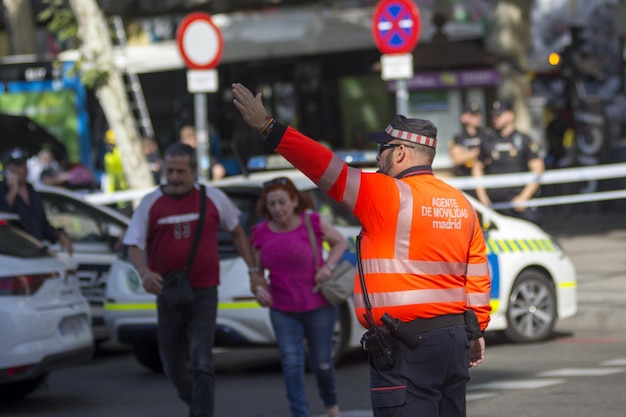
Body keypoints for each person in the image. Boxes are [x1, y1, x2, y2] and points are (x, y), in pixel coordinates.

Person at [232, 83, 491, 417]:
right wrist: (475, 331)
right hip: (453, 341)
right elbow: (479, 276)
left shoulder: (386, 194)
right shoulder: (460, 203)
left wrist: (268, 126)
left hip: (406, 345)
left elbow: (322, 165)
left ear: (400, 153)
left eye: (382, 149)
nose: (378, 157)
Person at [122, 142, 257, 417]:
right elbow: (133, 245)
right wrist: (145, 272)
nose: (174, 177)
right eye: (169, 171)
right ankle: (195, 402)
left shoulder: (213, 197)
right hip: (168, 292)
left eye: (181, 171)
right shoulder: (151, 203)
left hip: (205, 291)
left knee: (201, 359)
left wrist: (254, 272)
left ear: (194, 170)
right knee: (172, 363)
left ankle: (201, 412)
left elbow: (238, 233)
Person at [251, 176, 347, 417]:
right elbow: (256, 273)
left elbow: (340, 243)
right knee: (292, 364)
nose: (277, 209)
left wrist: (328, 268)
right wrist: (259, 289)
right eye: (271, 204)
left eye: (282, 202)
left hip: (318, 305)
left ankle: (331, 405)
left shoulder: (312, 221)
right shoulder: (260, 232)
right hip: (282, 309)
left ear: (294, 200)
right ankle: (299, 413)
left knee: (322, 363)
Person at [472, 99, 546, 224]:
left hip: (517, 202)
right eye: (494, 115)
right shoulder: (488, 140)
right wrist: (482, 196)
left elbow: (538, 168)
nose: (495, 119)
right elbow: (477, 167)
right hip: (493, 203)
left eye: (499, 115)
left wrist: (524, 197)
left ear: (510, 115)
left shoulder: (523, 140)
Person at [0, 147, 73, 254]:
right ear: (8, 169)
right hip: (13, 255)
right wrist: (13, 191)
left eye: (24, 164)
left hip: (35, 251)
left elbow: (42, 223)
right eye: (18, 165)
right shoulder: (3, 190)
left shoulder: (32, 191)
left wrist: (59, 234)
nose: (23, 169)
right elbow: (3, 217)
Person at [449, 102, 494, 179]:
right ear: (464, 117)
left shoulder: (487, 135)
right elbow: (456, 160)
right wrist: (475, 152)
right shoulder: (458, 138)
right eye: (473, 115)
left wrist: (465, 154)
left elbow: (490, 157)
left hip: (484, 178)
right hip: (463, 177)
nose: (478, 117)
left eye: (478, 114)